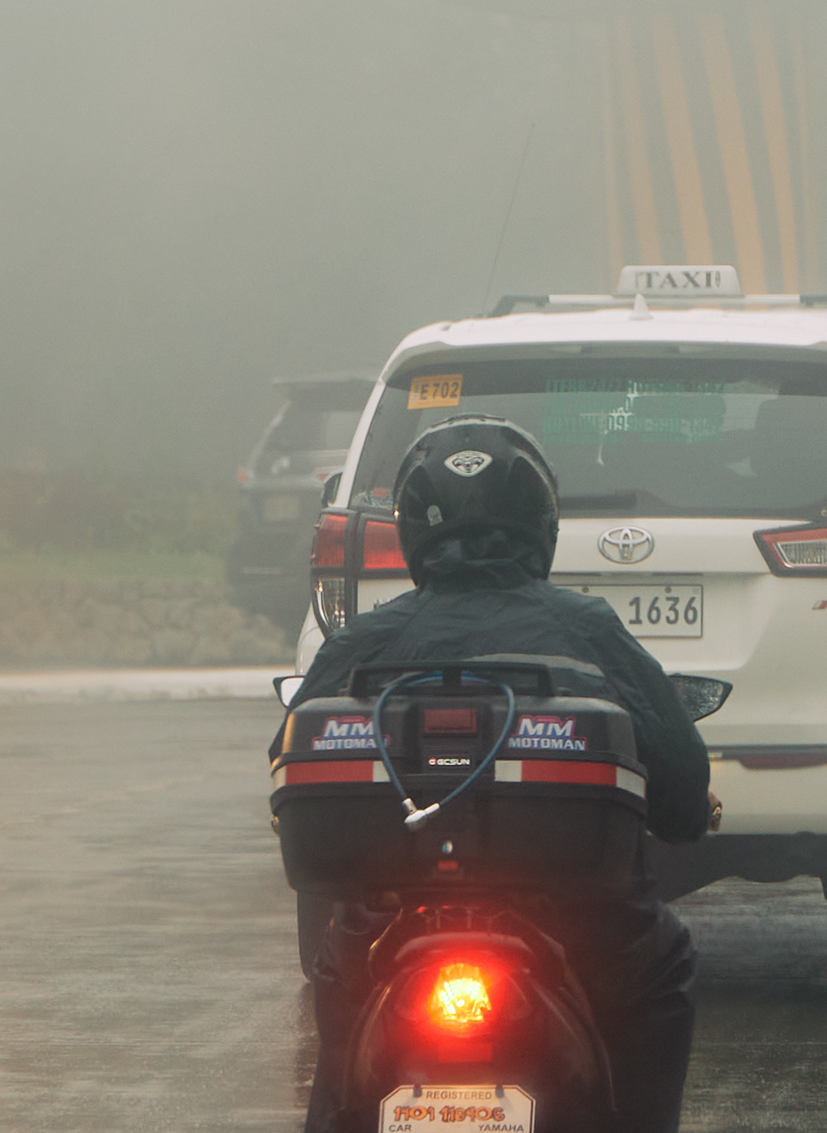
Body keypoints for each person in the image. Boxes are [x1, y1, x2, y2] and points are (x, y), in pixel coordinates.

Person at [284, 415, 717, 1133]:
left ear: (414, 528)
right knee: (663, 968)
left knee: (338, 980)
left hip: (389, 923)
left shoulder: (366, 640)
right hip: (588, 929)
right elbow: (678, 787)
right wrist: (688, 811)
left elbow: (287, 762)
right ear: (539, 522)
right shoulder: (588, 629)